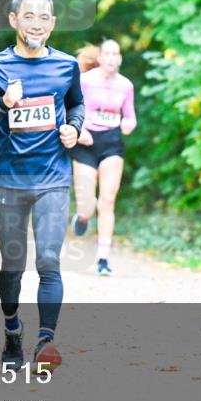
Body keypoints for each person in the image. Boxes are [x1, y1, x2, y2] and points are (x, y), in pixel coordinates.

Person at [0, 0, 84, 371]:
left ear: (52, 23)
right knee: (13, 267)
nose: (36, 23)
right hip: (9, 181)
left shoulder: (67, 65)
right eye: (29, 15)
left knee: (49, 261)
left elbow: (77, 104)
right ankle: (12, 330)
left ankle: (46, 343)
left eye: (44, 17)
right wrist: (3, 105)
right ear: (14, 19)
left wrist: (74, 128)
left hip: (53, 178)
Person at [69, 41, 137, 276]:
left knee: (107, 200)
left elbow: (130, 117)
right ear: (99, 58)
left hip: (111, 143)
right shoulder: (86, 81)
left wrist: (129, 124)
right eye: (106, 53)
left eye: (115, 54)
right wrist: (80, 130)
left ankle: (103, 259)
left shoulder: (125, 85)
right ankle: (83, 216)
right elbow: (71, 107)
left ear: (120, 59)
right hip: (86, 142)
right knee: (88, 205)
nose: (110, 58)